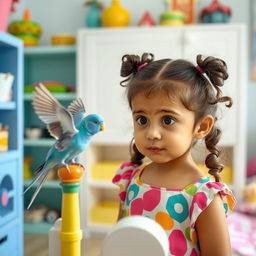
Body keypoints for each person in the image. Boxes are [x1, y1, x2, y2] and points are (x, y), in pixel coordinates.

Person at [112, 53, 236, 256]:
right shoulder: (131, 178)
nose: (152, 134)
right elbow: (120, 239)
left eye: (168, 120)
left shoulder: (203, 198)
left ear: (202, 126)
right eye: (142, 120)